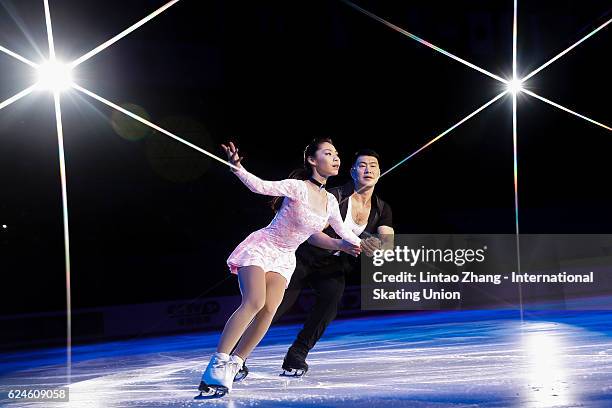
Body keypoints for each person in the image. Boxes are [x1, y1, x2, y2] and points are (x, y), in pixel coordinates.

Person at [198, 138, 362, 397]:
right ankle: (216, 364)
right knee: (253, 301)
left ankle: (235, 364)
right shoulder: (297, 187)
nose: (336, 158)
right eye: (328, 153)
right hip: (263, 246)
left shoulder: (330, 200)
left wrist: (360, 244)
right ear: (312, 160)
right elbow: (261, 186)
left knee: (268, 310)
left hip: (285, 257)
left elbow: (343, 230)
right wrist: (237, 168)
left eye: (337, 153)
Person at [236, 149, 394, 378]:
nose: (368, 169)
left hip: (334, 266)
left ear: (380, 172)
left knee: (330, 304)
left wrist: (374, 247)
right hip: (305, 256)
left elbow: (386, 243)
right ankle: (238, 355)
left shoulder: (382, 208)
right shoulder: (335, 196)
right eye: (362, 165)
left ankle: (297, 354)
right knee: (272, 307)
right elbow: (312, 234)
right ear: (352, 171)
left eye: (373, 165)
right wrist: (341, 244)